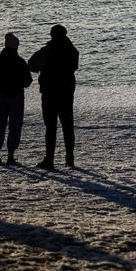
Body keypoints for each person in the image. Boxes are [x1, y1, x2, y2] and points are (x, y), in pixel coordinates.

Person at [29, 24, 80, 170]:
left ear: (52, 35)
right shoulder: (72, 50)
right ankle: (69, 159)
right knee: (67, 127)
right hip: (66, 93)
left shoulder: (47, 50)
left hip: (50, 93)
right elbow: (75, 66)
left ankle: (50, 159)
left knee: (51, 127)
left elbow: (32, 66)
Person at [0, 32, 32, 166]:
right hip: (16, 96)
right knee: (15, 127)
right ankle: (10, 156)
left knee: (0, 126)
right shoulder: (19, 61)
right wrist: (18, 83)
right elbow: (28, 81)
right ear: (16, 47)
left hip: (1, 95)